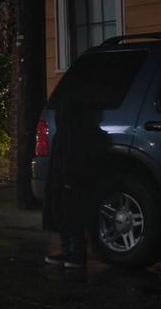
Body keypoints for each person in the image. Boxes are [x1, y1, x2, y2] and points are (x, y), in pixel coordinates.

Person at [42, 98, 110, 269]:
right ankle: (69, 251)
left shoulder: (76, 133)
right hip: (64, 180)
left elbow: (76, 160)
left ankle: (76, 253)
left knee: (72, 216)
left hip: (73, 181)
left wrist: (70, 178)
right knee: (64, 215)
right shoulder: (68, 133)